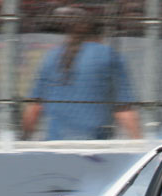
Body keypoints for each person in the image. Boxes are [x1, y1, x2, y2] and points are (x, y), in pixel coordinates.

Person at [22, 5, 141, 140]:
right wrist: (138, 142)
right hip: (95, 145)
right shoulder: (109, 56)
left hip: (56, 144)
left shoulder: (52, 57)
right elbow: (123, 109)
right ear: (100, 32)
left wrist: (24, 140)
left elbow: (34, 108)